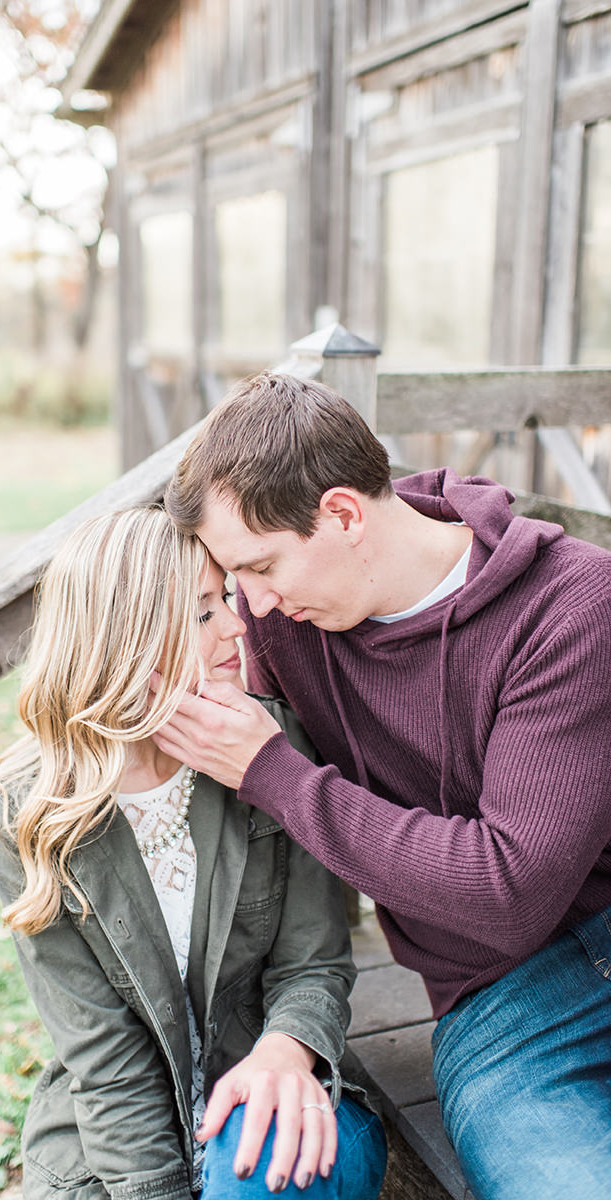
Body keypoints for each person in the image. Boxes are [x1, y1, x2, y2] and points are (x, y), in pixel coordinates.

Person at [158, 372, 611, 1200]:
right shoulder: (284, 616)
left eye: (259, 567)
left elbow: (505, 890)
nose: (249, 604)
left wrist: (276, 775)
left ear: (341, 513)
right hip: (501, 1000)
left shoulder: (573, 604)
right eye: (232, 582)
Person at [0, 504, 386, 1200]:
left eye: (223, 598)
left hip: (276, 1089)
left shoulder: (271, 749)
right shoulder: (28, 813)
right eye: (202, 613)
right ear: (125, 642)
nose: (235, 625)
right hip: (112, 1133)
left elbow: (312, 966)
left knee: (252, 1170)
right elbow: (102, 1054)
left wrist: (283, 1058)